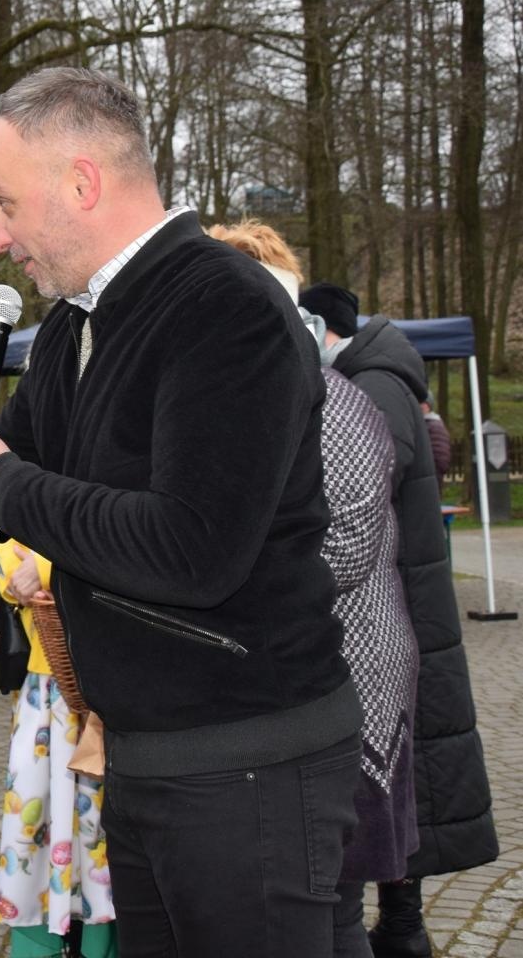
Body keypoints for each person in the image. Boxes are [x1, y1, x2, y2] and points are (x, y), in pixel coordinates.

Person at [0, 67, 363, 958]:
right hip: (146, 756)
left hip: (248, 765)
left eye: (4, 203)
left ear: (81, 183)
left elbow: (194, 550)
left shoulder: (224, 310)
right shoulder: (82, 324)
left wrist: (3, 482)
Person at [210, 223, 419, 958]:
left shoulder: (323, 396)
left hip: (345, 688)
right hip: (310, 684)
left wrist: (216, 594)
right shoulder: (267, 386)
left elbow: (346, 549)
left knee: (324, 908)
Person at [298, 282, 499, 958]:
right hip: (397, 601)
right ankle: (398, 928)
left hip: (389, 611)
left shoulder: (371, 382)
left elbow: (377, 477)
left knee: (392, 780)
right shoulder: (382, 372)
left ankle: (402, 930)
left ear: (323, 331)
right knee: (396, 781)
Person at [0, 540, 115, 958]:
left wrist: (48, 566)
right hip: (48, 693)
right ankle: (39, 947)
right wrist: (20, 575)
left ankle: (101, 946)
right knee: (34, 839)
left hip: (117, 689)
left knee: (106, 845)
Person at [421, 393, 452, 492]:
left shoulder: (433, 426)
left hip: (431, 476)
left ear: (426, 406)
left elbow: (440, 456)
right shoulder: (426, 425)